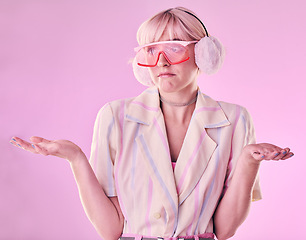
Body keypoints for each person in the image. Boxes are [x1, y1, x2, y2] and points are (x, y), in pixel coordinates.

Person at [10, 7, 294, 240]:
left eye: (174, 47)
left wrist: (248, 161)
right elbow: (110, 230)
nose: (161, 61)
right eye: (150, 50)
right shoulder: (114, 117)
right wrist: (75, 157)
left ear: (204, 53)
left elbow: (225, 229)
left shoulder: (235, 120)